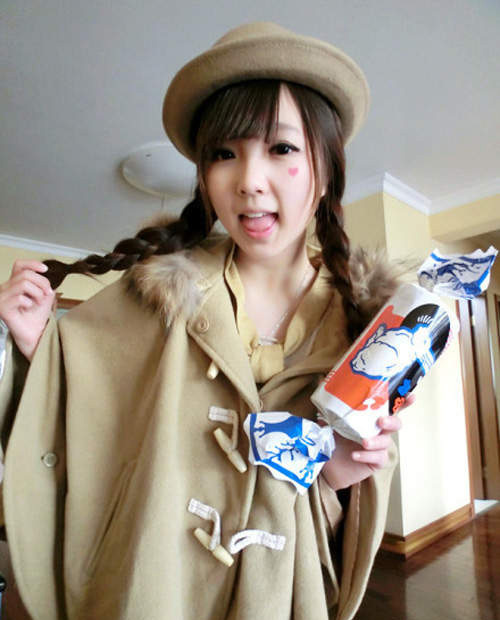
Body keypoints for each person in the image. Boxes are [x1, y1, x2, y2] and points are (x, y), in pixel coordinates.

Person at [0, 22, 404, 620]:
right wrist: (37, 344)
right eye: (223, 154)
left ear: (325, 171)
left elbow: (346, 528)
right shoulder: (153, 296)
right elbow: (90, 405)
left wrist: (333, 478)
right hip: (154, 584)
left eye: (281, 149)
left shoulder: (369, 336)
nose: (249, 182)